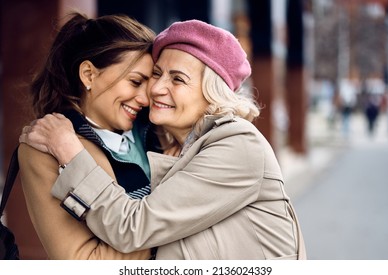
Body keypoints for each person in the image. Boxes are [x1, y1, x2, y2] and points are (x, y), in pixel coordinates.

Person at [20, 19, 306, 260]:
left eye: (177, 79)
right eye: (153, 75)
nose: (154, 89)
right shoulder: (178, 145)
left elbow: (134, 226)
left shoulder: (237, 145)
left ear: (212, 92)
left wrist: (71, 153)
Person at [17, 12, 160, 259]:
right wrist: (173, 224)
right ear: (89, 75)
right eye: (136, 82)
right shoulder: (44, 151)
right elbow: (83, 263)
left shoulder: (162, 131)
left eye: (150, 86)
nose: (146, 99)